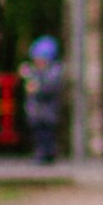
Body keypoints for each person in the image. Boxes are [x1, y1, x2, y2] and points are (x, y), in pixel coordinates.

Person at [22, 34, 65, 166]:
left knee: (47, 134)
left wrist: (37, 87)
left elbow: (49, 87)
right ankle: (42, 153)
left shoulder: (54, 72)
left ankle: (47, 153)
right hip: (36, 112)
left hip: (47, 113)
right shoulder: (36, 72)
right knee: (38, 134)